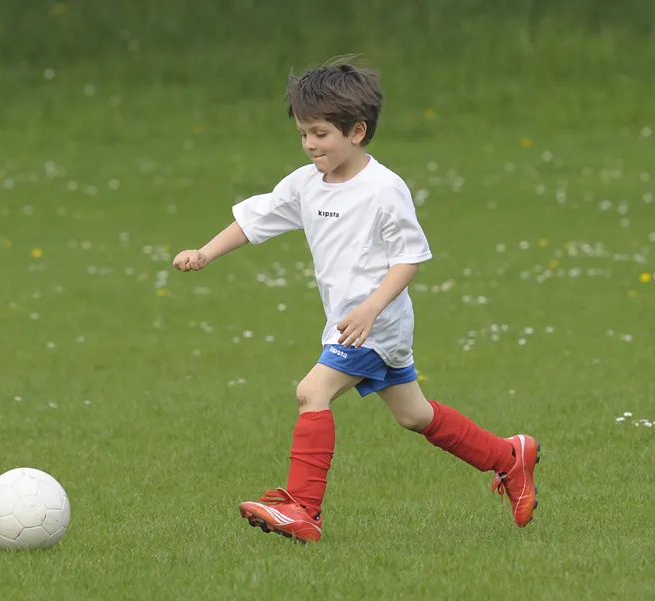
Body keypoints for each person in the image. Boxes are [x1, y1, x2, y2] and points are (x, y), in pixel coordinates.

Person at [172, 58, 540, 543]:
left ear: (357, 131)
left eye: (321, 134)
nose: (309, 144)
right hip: (352, 324)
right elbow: (256, 219)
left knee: (312, 392)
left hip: (376, 323)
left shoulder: (384, 189)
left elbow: (409, 258)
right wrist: (206, 252)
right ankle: (509, 457)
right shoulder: (306, 183)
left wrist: (371, 308)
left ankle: (303, 507)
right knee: (414, 415)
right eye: (304, 133)